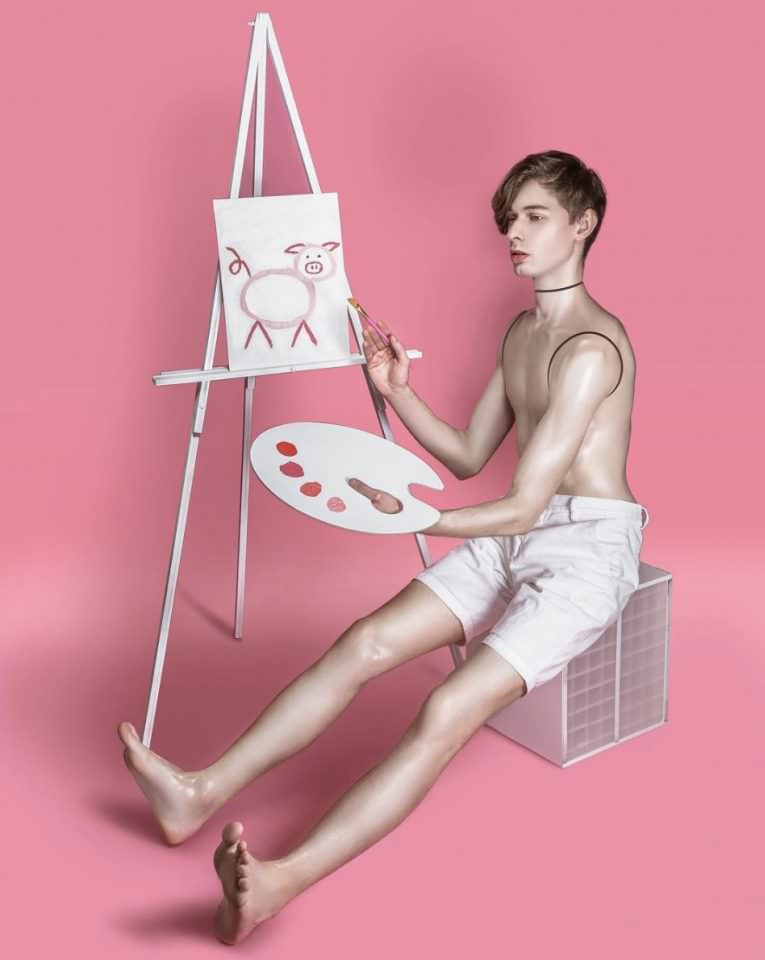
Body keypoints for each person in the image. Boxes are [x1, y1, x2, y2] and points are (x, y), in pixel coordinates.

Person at [118, 149, 649, 945]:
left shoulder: (590, 350)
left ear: (583, 225)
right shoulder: (522, 333)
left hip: (585, 548)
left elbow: (522, 505)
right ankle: (199, 792)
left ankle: (278, 884)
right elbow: (469, 456)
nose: (514, 231)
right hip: (516, 532)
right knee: (363, 642)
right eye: (509, 217)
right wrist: (398, 391)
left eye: (535, 216)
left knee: (445, 708)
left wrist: (412, 519)